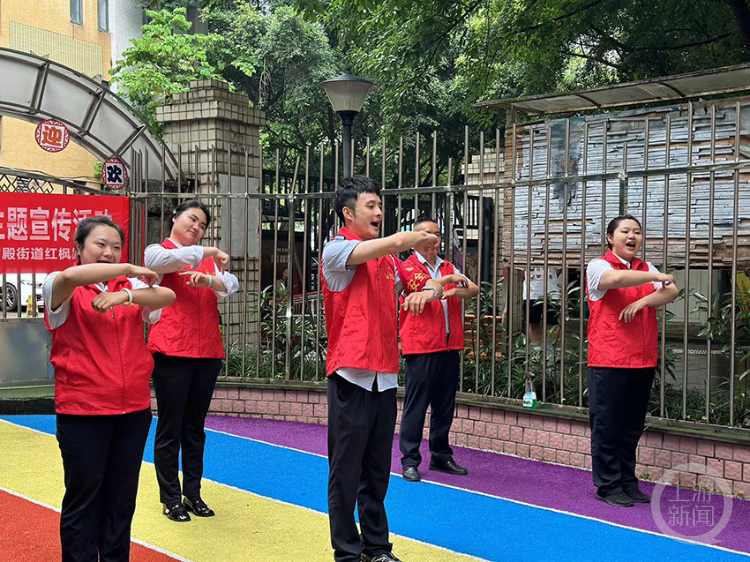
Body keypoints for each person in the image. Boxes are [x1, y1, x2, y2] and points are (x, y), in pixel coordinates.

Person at [322, 176, 448, 562]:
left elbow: (435, 284)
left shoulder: (391, 261)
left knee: (377, 470)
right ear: (348, 212)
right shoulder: (337, 249)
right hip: (351, 373)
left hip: (385, 376)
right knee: (345, 471)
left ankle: (376, 547)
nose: (378, 212)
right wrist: (414, 239)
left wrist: (429, 292)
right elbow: (393, 243)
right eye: (370, 206)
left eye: (380, 205)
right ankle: (346, 551)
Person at [43, 216, 175, 562]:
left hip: (132, 411)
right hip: (83, 412)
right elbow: (71, 276)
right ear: (79, 248)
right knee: (84, 500)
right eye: (100, 245)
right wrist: (130, 267)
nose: (109, 253)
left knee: (121, 501)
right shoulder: (60, 286)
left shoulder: (126, 289)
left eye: (116, 247)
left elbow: (168, 294)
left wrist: (126, 294)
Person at [144, 200, 239, 522]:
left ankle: (193, 493)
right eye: (192, 220)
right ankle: (170, 497)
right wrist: (210, 251)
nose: (196, 228)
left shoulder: (206, 261)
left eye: (202, 225)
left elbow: (230, 286)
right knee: (170, 427)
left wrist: (208, 279)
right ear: (175, 218)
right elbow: (164, 262)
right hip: (172, 351)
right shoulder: (159, 252)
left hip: (207, 352)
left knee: (195, 429)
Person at [586, 214, 678, 507]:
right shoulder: (599, 266)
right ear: (611, 237)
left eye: (637, 232)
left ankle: (627, 482)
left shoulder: (645, 266)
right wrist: (655, 278)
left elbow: (672, 290)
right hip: (610, 360)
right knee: (607, 426)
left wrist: (642, 301)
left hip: (642, 361)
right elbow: (614, 280)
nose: (632, 236)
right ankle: (608, 485)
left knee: (631, 427)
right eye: (625, 231)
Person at [398, 217, 479, 483]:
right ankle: (409, 459)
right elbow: (428, 290)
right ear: (414, 239)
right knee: (416, 406)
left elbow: (473, 288)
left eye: (437, 234)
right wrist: (450, 281)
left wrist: (455, 290)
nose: (433, 240)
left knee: (445, 405)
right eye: (426, 235)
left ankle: (440, 455)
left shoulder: (447, 265)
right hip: (421, 346)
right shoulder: (407, 267)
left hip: (449, 344)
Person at [522, 267, 561, 345]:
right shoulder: (524, 254)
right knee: (533, 323)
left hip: (552, 292)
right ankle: (537, 352)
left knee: (553, 324)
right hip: (532, 293)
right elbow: (520, 271)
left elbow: (559, 269)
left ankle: (557, 352)